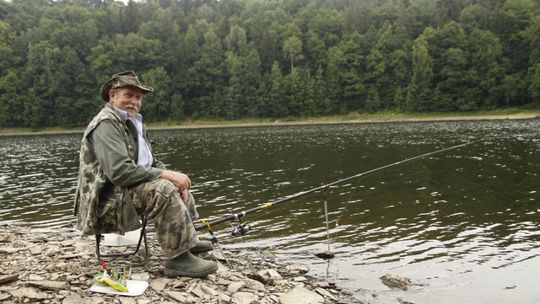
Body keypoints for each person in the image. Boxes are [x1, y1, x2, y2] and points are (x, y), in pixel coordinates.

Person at [73, 70, 217, 278]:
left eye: (138, 97)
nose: (134, 101)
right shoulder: (106, 124)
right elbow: (120, 172)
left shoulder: (131, 121)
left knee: (177, 182)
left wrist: (173, 176)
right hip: (105, 201)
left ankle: (188, 240)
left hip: (123, 190)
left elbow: (149, 162)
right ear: (113, 96)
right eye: (128, 95)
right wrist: (166, 176)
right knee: (164, 189)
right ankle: (178, 261)